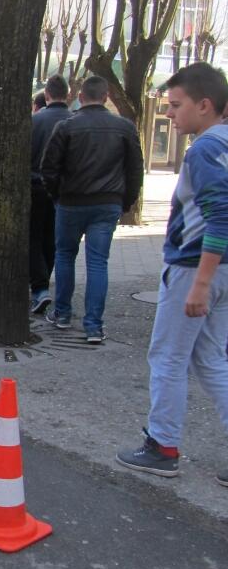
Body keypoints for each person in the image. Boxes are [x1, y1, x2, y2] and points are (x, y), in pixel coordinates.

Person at [115, 62, 228, 482]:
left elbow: (220, 217)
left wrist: (199, 283)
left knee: (167, 357)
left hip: (195, 268)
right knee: (211, 358)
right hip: (220, 271)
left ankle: (162, 447)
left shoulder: (203, 151)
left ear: (205, 105)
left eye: (176, 106)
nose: (169, 114)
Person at [42, 75, 144, 343]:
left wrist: (57, 196)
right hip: (107, 202)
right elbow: (135, 171)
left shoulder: (67, 127)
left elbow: (49, 168)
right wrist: (126, 201)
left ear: (81, 97)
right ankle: (93, 326)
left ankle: (63, 313)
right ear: (106, 97)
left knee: (64, 255)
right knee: (98, 262)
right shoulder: (124, 127)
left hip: (71, 201)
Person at [28, 75, 73, 314]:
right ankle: (42, 283)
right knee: (51, 239)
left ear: (46, 95)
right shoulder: (74, 121)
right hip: (62, 191)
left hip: (35, 186)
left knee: (32, 237)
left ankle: (40, 287)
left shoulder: (36, 121)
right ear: (67, 94)